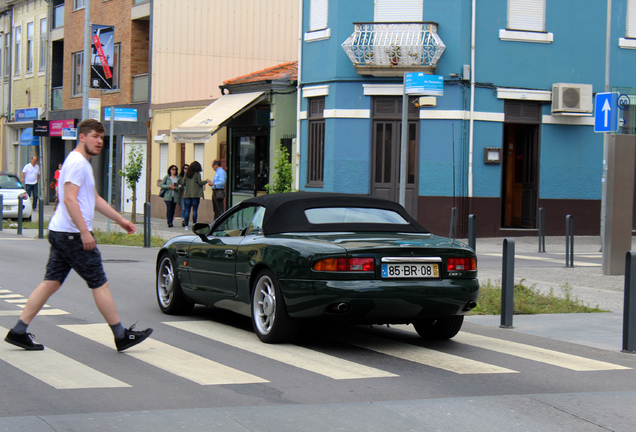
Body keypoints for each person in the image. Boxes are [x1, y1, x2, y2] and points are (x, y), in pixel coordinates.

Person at [4, 119, 153, 352]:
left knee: (50, 282)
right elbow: (69, 198)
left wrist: (121, 220)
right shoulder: (77, 162)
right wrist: (84, 232)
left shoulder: (81, 163)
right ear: (82, 137)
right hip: (72, 234)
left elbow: (94, 199)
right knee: (99, 282)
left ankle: (18, 331)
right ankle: (121, 335)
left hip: (61, 231)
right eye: (95, 136)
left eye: (102, 138)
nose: (99, 142)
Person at [182, 161, 207, 231]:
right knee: (195, 210)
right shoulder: (197, 174)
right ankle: (194, 224)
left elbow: (183, 182)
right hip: (195, 195)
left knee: (187, 210)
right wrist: (206, 181)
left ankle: (186, 225)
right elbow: (200, 183)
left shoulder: (187, 174)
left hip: (187, 194)